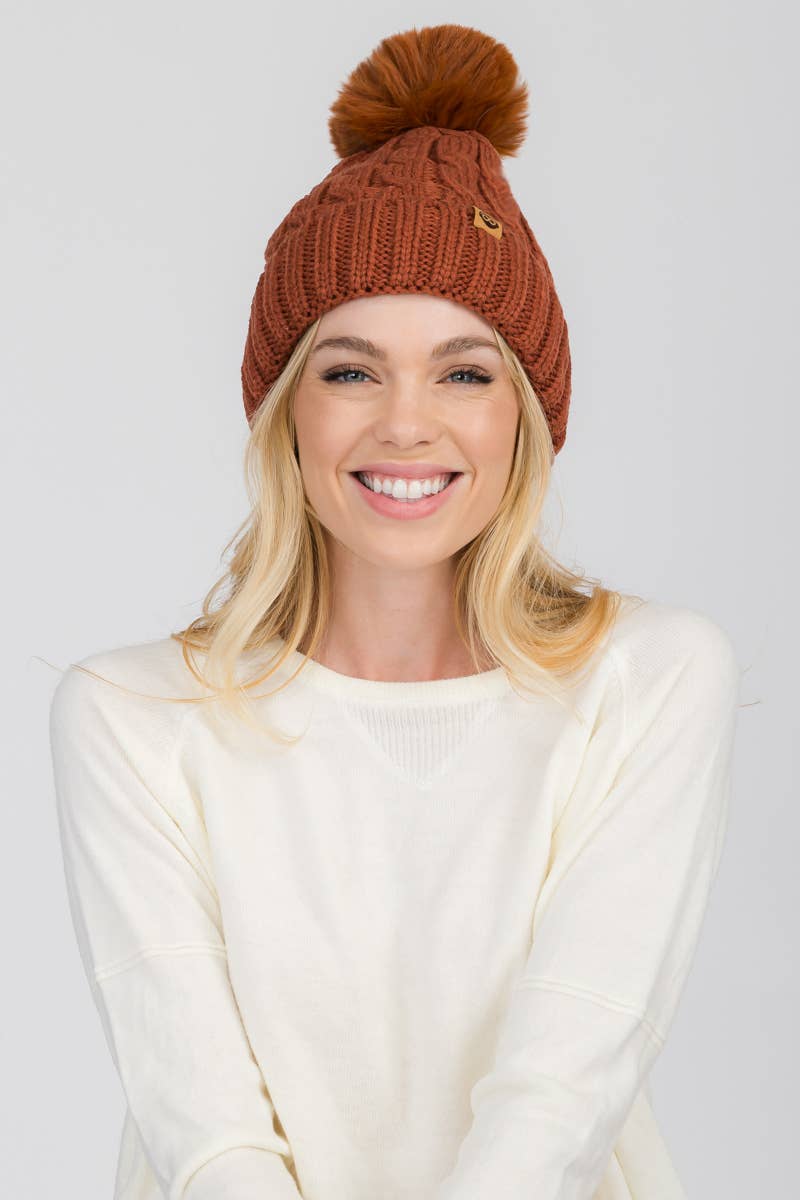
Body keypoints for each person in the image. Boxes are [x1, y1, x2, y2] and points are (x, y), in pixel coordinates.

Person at [48, 23, 742, 1200]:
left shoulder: (646, 677)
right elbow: (205, 1131)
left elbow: (563, 1088)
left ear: (524, 416)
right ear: (286, 411)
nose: (406, 422)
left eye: (464, 372)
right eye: (349, 370)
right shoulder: (132, 716)